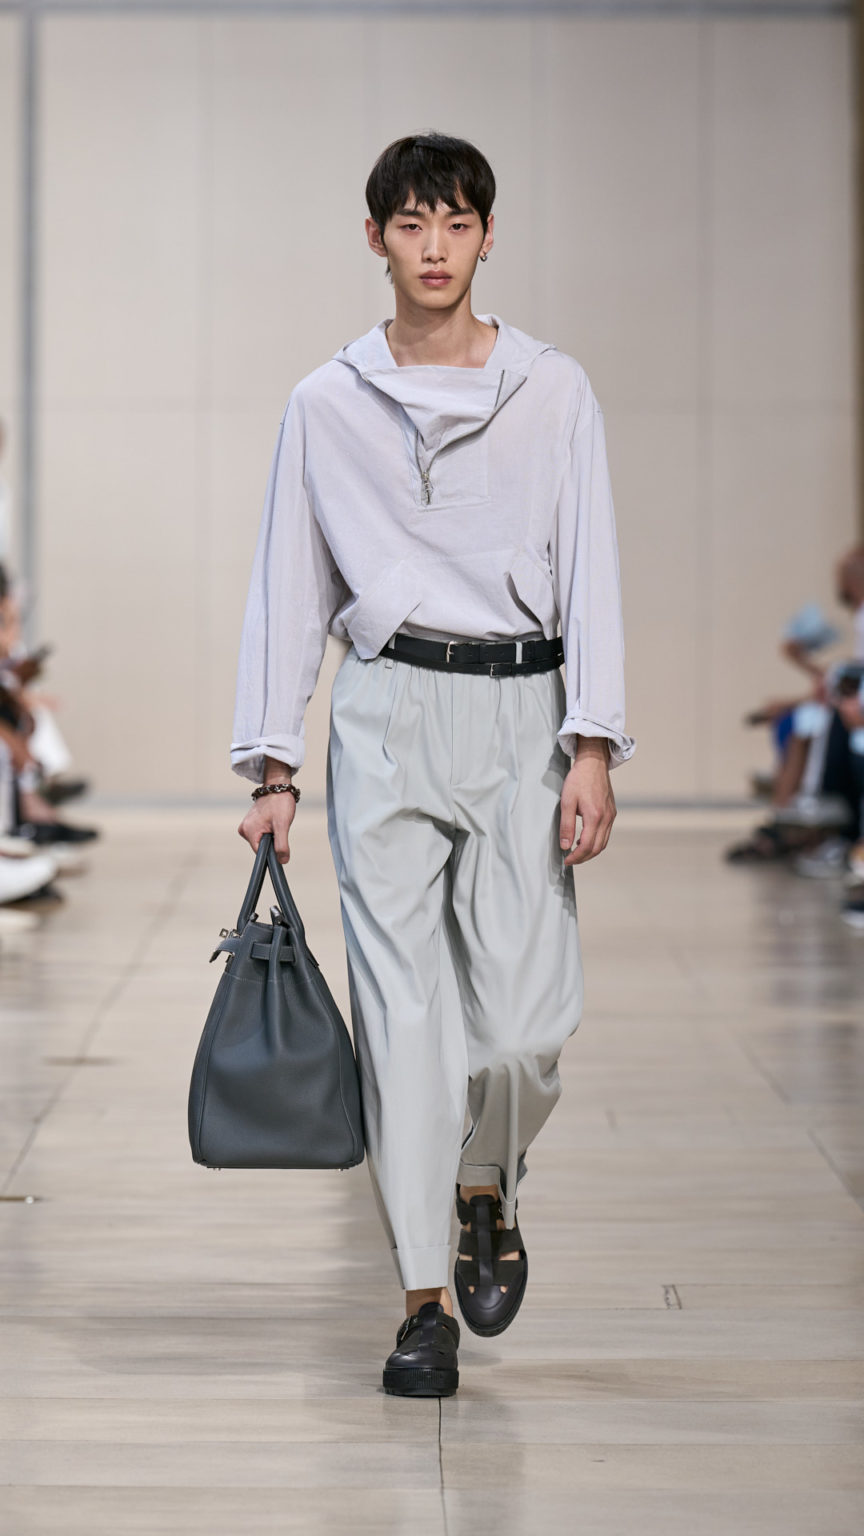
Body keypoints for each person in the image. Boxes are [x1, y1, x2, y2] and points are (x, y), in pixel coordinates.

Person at [230, 133, 634, 1397]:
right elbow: (289, 584)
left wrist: (594, 740)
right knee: (404, 1022)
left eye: (457, 223)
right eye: (412, 224)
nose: (436, 247)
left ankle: (483, 1180)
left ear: (488, 235)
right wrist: (273, 767)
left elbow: (593, 565)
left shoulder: (553, 391)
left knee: (522, 1032)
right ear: (376, 239)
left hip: (524, 710)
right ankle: (421, 1305)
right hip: (388, 709)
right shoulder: (326, 401)